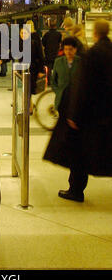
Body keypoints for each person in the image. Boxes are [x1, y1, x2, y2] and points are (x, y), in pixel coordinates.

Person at [59, 19, 112, 202]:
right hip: (108, 113)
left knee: (79, 154)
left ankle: (76, 190)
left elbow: (81, 87)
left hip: (90, 114)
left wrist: (73, 114)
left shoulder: (92, 54)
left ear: (95, 34)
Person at [43, 37, 81, 184]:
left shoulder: (80, 62)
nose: (68, 52)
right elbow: (53, 80)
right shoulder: (59, 62)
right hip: (62, 100)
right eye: (66, 49)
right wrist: (58, 91)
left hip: (76, 101)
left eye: (71, 49)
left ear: (75, 49)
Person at [18, 22, 45, 114]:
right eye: (21, 33)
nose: (22, 35)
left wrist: (41, 70)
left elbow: (41, 56)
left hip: (33, 70)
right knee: (27, 89)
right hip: (23, 69)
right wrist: (2, 60)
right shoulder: (20, 44)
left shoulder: (34, 43)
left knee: (27, 90)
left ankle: (28, 109)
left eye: (24, 33)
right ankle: (30, 106)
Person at [42, 20, 62, 85]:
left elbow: (43, 43)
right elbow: (60, 43)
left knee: (49, 68)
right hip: (56, 53)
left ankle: (49, 82)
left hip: (48, 53)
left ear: (49, 26)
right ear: (56, 26)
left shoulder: (46, 34)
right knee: (56, 68)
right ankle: (56, 81)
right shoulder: (59, 34)